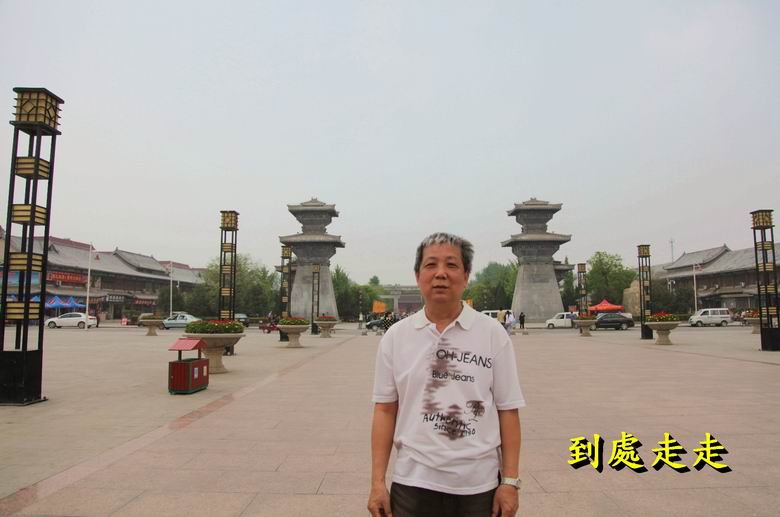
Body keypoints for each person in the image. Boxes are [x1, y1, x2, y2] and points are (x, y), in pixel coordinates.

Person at [368, 232, 524, 517]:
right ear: (418, 276)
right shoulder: (395, 337)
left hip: (479, 485)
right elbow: (385, 410)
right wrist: (377, 482)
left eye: (451, 265)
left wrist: (510, 482)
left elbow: (508, 410)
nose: (440, 273)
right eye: (431, 265)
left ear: (465, 276)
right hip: (413, 482)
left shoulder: (492, 334)